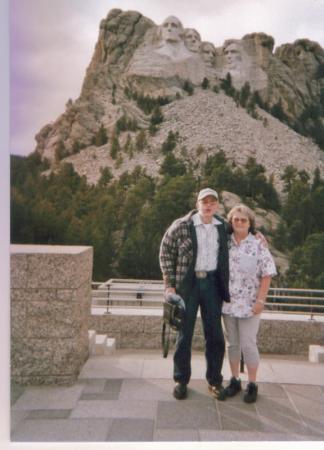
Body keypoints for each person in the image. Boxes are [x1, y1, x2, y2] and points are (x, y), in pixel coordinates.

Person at [159, 188, 230, 400]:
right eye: (204, 201)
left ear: (216, 205)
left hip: (212, 285)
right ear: (197, 203)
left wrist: (257, 234)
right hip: (187, 286)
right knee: (184, 334)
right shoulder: (181, 226)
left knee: (215, 335)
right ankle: (181, 380)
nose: (208, 205)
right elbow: (165, 253)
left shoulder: (223, 227)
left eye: (212, 202)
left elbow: (243, 231)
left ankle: (215, 381)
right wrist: (169, 285)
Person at [222, 204, 277, 403]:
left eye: (243, 220)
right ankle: (235, 380)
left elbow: (267, 274)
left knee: (248, 343)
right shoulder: (225, 243)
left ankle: (252, 384)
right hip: (228, 304)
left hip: (250, 305)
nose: (239, 223)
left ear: (250, 223)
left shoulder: (258, 244)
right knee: (233, 344)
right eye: (235, 219)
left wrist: (261, 300)